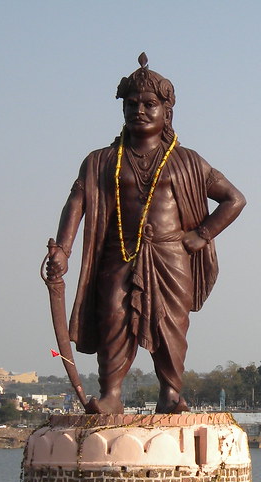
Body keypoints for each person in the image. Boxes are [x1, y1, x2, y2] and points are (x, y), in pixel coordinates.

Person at [45, 54, 245, 414]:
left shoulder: (189, 161)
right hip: (118, 251)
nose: (139, 110)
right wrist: (63, 249)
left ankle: (170, 392)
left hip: (171, 254)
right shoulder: (102, 160)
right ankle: (111, 395)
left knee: (170, 324)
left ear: (166, 112)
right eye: (132, 103)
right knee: (113, 317)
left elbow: (234, 199)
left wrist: (202, 233)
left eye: (150, 104)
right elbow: (77, 202)